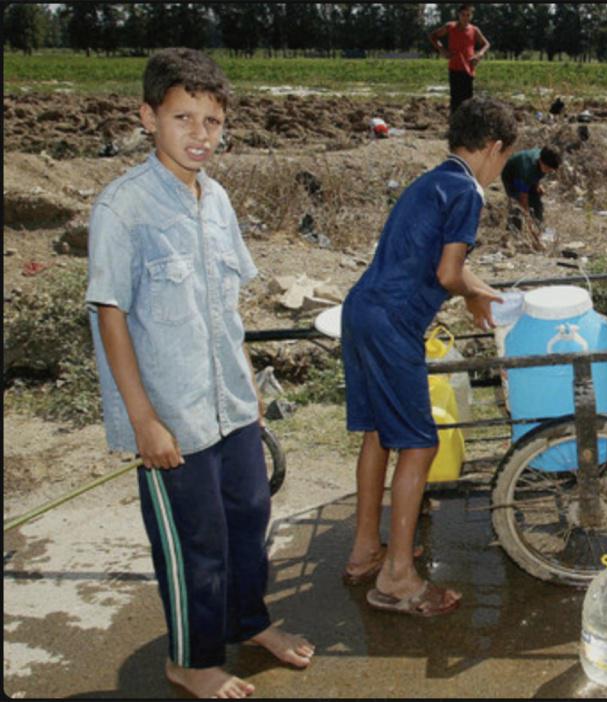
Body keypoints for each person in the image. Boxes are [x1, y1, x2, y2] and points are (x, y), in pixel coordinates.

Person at [85, 47, 313, 698]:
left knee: (250, 518)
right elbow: (112, 316)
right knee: (197, 547)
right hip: (173, 420)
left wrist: (248, 383)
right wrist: (144, 421)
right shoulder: (123, 208)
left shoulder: (215, 200)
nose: (199, 135)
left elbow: (226, 307)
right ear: (148, 117)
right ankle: (191, 659)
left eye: (212, 121)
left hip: (232, 406)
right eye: (183, 118)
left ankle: (249, 622)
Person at [340, 96, 512, 617]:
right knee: (418, 443)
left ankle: (366, 549)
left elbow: (442, 268)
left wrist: (476, 288)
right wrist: (476, 291)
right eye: (503, 161)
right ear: (495, 148)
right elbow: (447, 272)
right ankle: (397, 576)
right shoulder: (468, 191)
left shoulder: (433, 179)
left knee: (378, 433)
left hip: (361, 310)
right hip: (393, 322)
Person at [429, 3, 491, 115]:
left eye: (468, 15)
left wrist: (479, 54)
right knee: (455, 98)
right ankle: (454, 123)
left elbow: (486, 44)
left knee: (468, 98)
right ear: (458, 15)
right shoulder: (450, 27)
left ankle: (466, 124)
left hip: (469, 69)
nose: (465, 18)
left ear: (471, 16)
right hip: (454, 67)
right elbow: (433, 36)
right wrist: (442, 50)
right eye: (463, 15)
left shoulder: (474, 30)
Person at [501, 145, 561, 250]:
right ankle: (510, 237)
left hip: (527, 176)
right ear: (541, 161)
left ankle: (539, 232)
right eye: (547, 169)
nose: (548, 172)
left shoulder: (545, 158)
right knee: (517, 207)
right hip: (512, 176)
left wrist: (537, 184)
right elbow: (523, 200)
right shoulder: (526, 170)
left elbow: (537, 173)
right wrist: (531, 228)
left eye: (551, 170)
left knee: (537, 203)